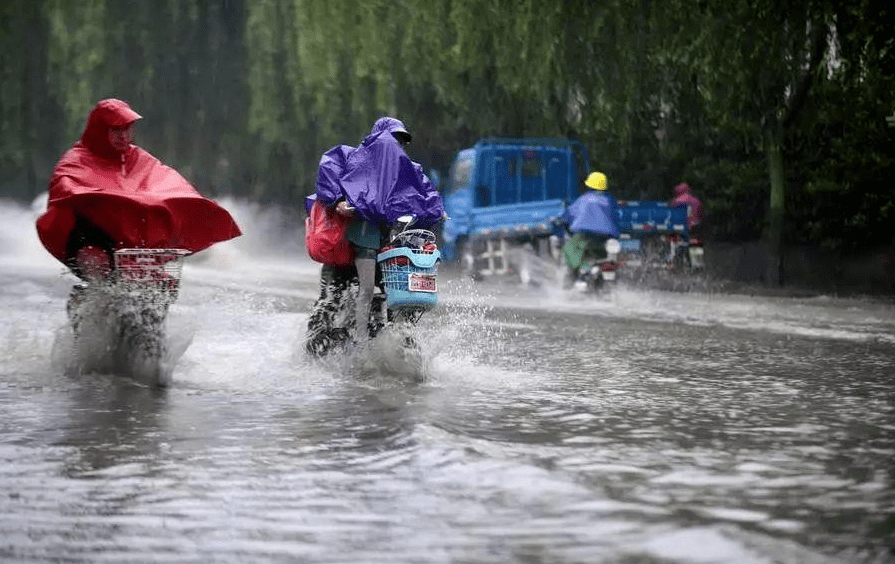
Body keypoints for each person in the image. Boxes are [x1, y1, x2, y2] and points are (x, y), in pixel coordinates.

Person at [35, 98, 241, 309]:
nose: (124, 136)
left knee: (160, 285)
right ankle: (87, 312)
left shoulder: (137, 158)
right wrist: (99, 196)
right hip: (90, 236)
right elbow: (65, 186)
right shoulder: (76, 159)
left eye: (128, 129)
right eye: (116, 130)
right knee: (97, 265)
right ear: (99, 130)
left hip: (132, 244)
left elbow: (168, 183)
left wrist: (195, 206)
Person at [307, 116, 444, 350]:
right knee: (330, 300)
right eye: (393, 139)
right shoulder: (351, 157)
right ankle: (316, 343)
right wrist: (338, 201)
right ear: (378, 139)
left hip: (384, 250)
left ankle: (401, 342)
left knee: (402, 293)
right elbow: (329, 172)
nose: (396, 146)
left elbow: (424, 191)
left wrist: (435, 211)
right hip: (345, 250)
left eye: (401, 142)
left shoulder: (405, 169)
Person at [559, 171, 621, 287]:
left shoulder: (584, 199)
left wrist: (560, 220)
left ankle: (568, 284)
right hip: (605, 240)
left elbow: (568, 215)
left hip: (584, 237)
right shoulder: (610, 201)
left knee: (569, 253)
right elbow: (617, 217)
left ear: (589, 185)